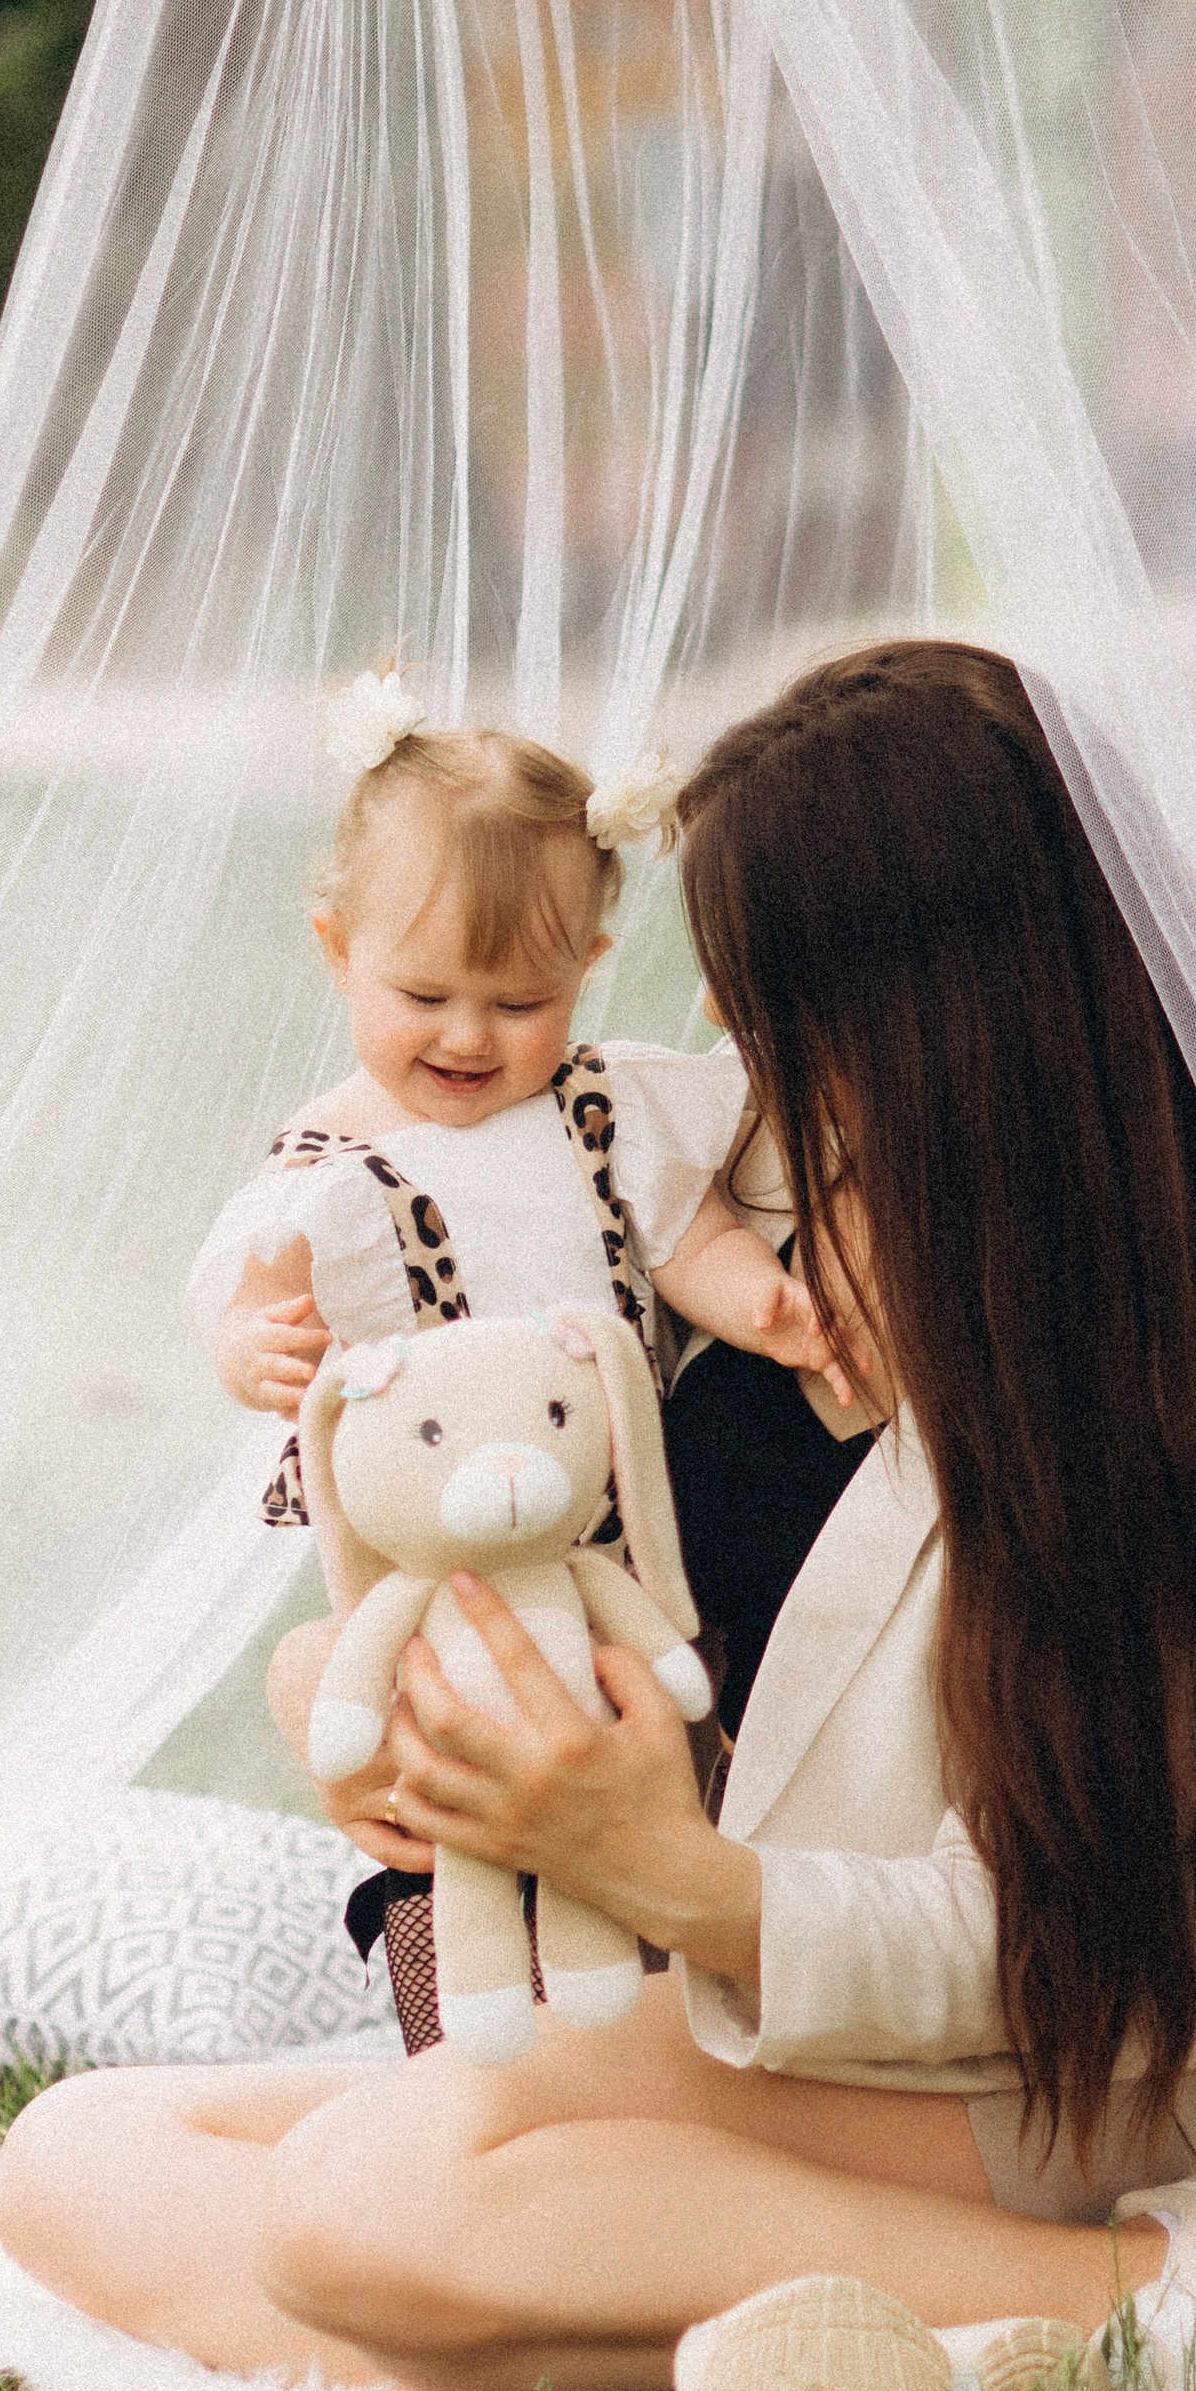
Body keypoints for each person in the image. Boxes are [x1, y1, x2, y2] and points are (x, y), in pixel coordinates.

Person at [0, 641, 1196, 2391]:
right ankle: (772, 2343)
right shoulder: (764, 1258)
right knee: (79, 2154)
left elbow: (1116, 1948)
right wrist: (430, 1757)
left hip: (1026, 2085)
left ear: (940, 1012)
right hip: (739, 2031)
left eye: (785, 1019)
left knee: (370, 2204)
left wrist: (680, 1879)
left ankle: (1180, 2294)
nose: (743, 1077)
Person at [181, 674, 861, 2039]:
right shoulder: (334, 1155)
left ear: (589, 969)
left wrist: (767, 1306)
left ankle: (639, 2019)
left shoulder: (605, 1111)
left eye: (519, 1000)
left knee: (648, 1754)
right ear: (336, 950)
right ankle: (459, 2015)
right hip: (441, 1562)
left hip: (606, 1537)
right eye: (423, 992)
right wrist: (250, 1344)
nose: (468, 1037)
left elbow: (688, 1237)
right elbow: (244, 1283)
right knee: (450, 1776)